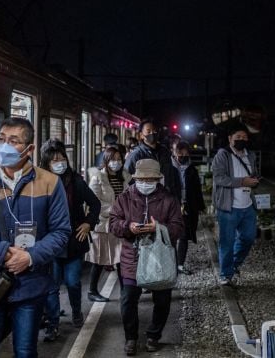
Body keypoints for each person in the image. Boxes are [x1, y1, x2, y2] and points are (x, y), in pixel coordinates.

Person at [0, 118, 71, 358]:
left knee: (25, 351)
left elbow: (61, 232)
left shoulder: (50, 183)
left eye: (13, 141)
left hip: (30, 285)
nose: (4, 146)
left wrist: (29, 257)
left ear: (29, 149)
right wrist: (3, 252)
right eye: (1, 139)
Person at [109, 159, 184, 355]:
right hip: (131, 256)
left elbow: (178, 227)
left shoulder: (169, 199)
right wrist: (129, 227)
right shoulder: (124, 198)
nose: (146, 182)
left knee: (162, 299)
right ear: (135, 178)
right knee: (127, 300)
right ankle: (131, 337)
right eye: (142, 178)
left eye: (151, 179)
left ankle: (153, 335)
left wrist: (158, 228)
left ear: (158, 179)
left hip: (160, 257)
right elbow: (113, 223)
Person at [40, 139, 101, 342]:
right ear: (46, 163)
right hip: (50, 244)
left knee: (73, 282)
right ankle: (53, 323)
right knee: (52, 286)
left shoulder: (76, 181)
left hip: (74, 240)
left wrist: (88, 224)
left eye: (62, 158)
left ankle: (76, 310)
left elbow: (95, 204)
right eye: (54, 160)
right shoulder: (40, 183)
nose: (59, 162)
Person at [212, 123, 259, 286]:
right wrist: (242, 181)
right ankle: (225, 274)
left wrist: (254, 180)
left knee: (248, 237)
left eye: (244, 137)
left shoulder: (250, 155)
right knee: (227, 241)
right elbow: (219, 178)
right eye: (238, 137)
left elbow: (254, 173)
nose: (241, 140)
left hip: (247, 205)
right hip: (228, 207)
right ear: (230, 138)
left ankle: (234, 264)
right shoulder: (222, 155)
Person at [86, 147, 132, 301]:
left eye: (119, 159)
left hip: (121, 224)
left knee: (121, 258)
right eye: (113, 159)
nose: (116, 163)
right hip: (103, 224)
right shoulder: (97, 177)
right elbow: (94, 202)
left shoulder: (125, 176)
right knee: (100, 259)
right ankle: (92, 291)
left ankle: (125, 291)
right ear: (106, 160)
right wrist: (117, 209)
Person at [125, 120, 181, 200]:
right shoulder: (136, 155)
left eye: (154, 131)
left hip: (165, 198)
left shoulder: (164, 152)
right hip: (145, 200)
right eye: (148, 131)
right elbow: (127, 178)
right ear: (141, 135)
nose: (152, 133)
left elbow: (171, 176)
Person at [172, 141, 206, 274]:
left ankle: (180, 264)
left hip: (187, 206)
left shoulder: (191, 169)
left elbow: (197, 189)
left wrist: (200, 206)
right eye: (179, 153)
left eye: (185, 153)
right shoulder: (168, 167)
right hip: (172, 206)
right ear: (174, 152)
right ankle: (171, 264)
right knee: (171, 236)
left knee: (184, 235)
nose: (182, 155)